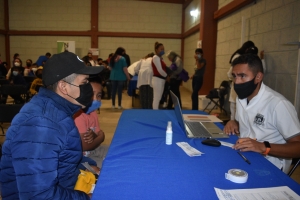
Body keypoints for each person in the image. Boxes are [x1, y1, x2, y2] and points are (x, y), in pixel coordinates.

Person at [0, 52, 104, 199]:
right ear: (63, 87)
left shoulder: (57, 111)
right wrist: (86, 197)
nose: (89, 89)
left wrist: (87, 164)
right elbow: (39, 195)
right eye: (84, 82)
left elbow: (62, 156)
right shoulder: (40, 125)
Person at [223, 54, 300, 174]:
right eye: (234, 76)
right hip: (244, 154)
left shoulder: (278, 104)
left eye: (242, 76)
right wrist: (234, 122)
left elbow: (298, 147)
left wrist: (263, 147)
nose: (237, 82)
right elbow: (248, 122)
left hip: (270, 165)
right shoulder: (241, 98)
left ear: (258, 77)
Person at [74, 76, 109, 168]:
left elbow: (96, 134)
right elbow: (85, 146)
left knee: (116, 152)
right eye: (91, 94)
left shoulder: (93, 113)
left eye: (99, 95)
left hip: (93, 150)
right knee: (108, 166)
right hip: (79, 159)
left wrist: (97, 136)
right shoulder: (78, 115)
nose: (96, 99)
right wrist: (101, 137)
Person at [227, 41, 255, 119]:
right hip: (237, 93)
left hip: (246, 94)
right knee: (234, 113)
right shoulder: (238, 58)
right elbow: (230, 73)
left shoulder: (253, 63)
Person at [152, 42, 167, 110]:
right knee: (156, 97)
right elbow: (160, 70)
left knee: (159, 97)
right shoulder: (155, 58)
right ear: (156, 50)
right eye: (161, 49)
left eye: (163, 49)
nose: (162, 50)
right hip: (157, 79)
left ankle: (156, 110)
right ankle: (155, 112)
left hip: (162, 79)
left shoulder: (161, 58)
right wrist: (167, 76)